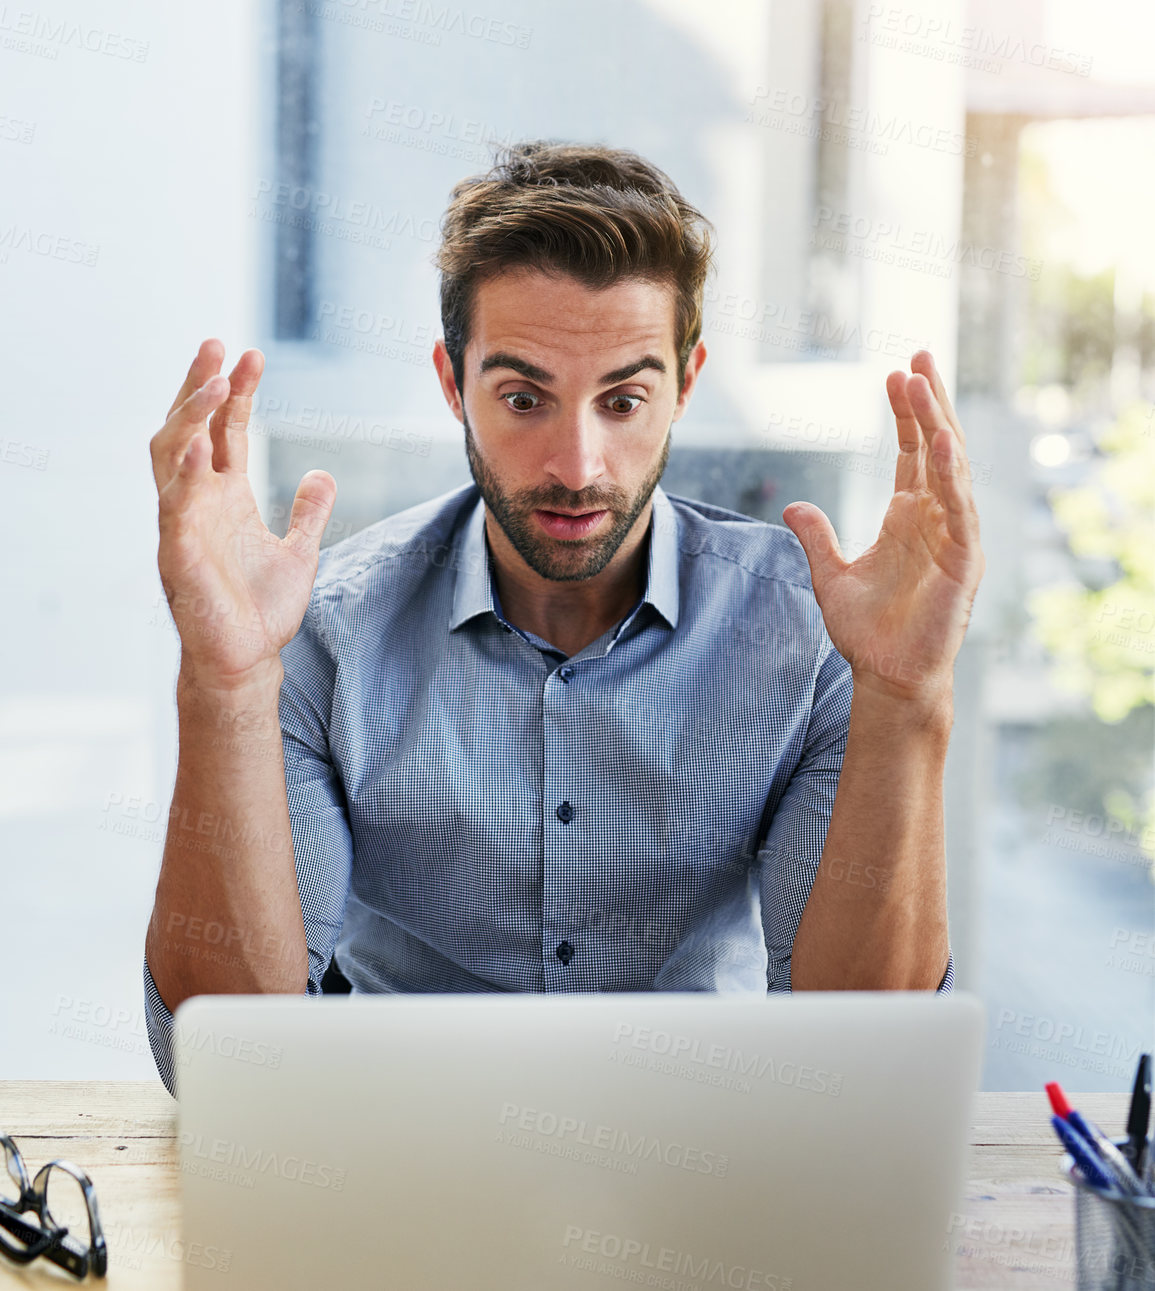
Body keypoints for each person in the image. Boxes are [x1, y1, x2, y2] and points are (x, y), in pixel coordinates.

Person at [143, 143, 983, 1093]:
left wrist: (907, 698)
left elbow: (868, 1066)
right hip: (390, 1160)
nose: (577, 464)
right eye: (522, 397)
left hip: (707, 1168)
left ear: (685, 385)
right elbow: (222, 1066)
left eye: (623, 398)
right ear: (453, 384)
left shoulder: (812, 636)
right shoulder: (323, 630)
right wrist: (225, 686)